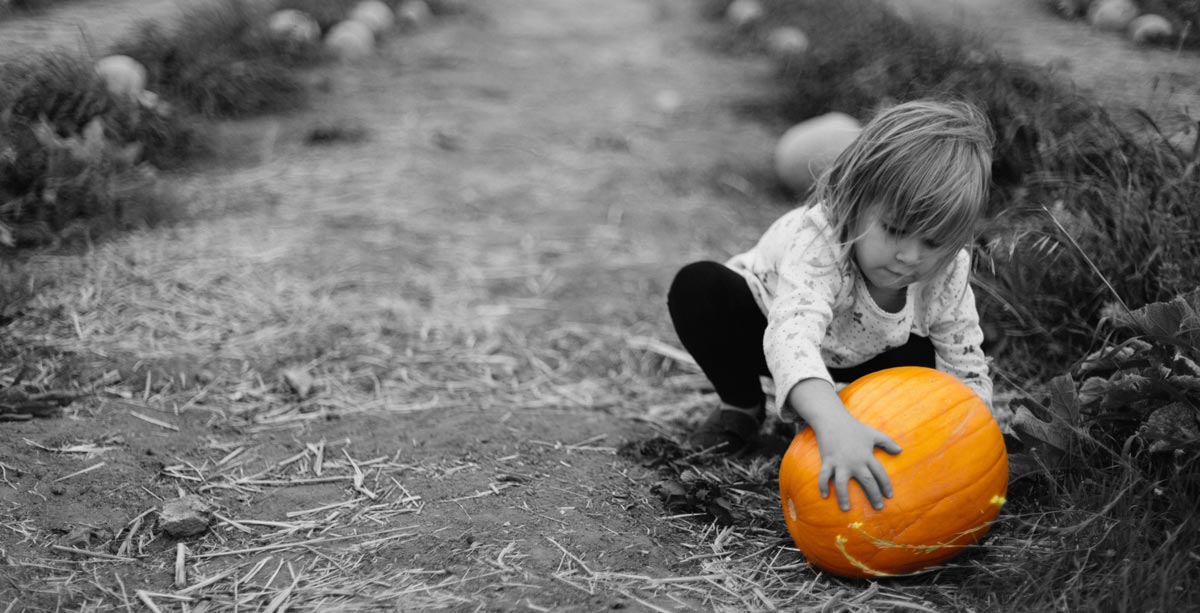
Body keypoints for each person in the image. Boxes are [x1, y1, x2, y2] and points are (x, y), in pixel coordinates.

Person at [667, 99, 1000, 513]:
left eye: (933, 242)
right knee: (698, 288)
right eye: (894, 230)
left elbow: (965, 364)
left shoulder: (948, 270)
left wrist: (976, 448)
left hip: (866, 351)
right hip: (766, 328)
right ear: (855, 200)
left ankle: (860, 418)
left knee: (928, 362)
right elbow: (791, 336)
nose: (910, 257)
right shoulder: (821, 239)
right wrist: (833, 425)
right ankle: (742, 406)